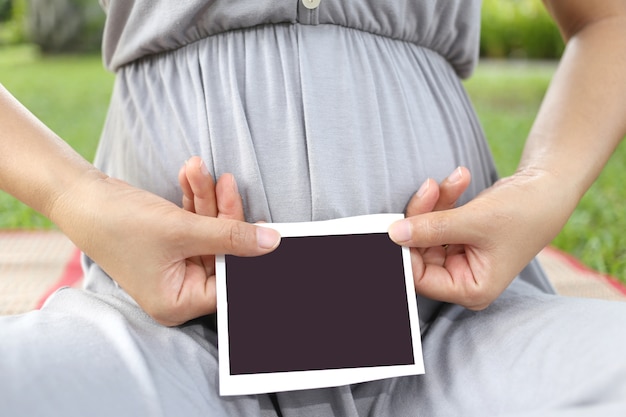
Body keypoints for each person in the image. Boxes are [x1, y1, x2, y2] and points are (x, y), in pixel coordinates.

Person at [1, 0, 626, 415]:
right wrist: (72, 192)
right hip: (160, 332)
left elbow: (607, 19)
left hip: (458, 325)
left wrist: (545, 185)